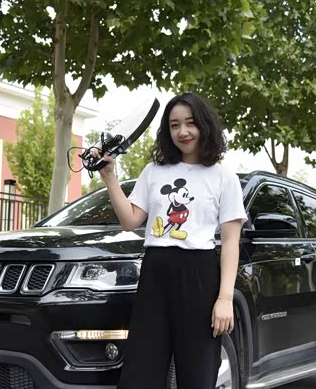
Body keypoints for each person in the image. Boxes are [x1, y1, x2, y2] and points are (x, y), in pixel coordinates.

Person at [92, 92, 246, 389]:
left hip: (199, 276)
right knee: (140, 373)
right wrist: (109, 176)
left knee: (197, 375)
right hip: (155, 275)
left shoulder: (223, 177)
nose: (182, 131)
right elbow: (130, 220)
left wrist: (224, 299)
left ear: (204, 125)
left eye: (190, 123)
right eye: (175, 125)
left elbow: (230, 241)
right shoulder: (153, 171)